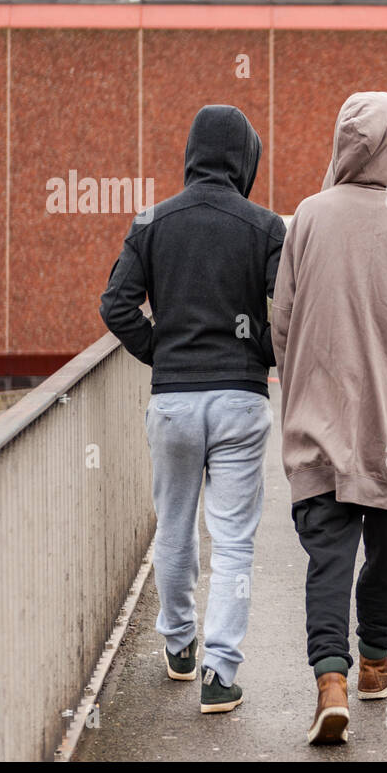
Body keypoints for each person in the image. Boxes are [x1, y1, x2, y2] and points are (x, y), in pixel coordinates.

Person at [272, 92, 387, 745]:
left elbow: (283, 323)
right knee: (385, 545)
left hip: (320, 414)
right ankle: (374, 663)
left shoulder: (309, 219)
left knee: (328, 554)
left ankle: (330, 679)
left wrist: (297, 387)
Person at [99, 104, 284, 715]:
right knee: (233, 539)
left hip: (173, 401)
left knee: (174, 526)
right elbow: (285, 315)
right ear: (243, 156)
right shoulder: (264, 226)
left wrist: (162, 352)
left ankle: (179, 646)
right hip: (239, 399)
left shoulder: (151, 221)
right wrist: (256, 353)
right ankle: (219, 671)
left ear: (192, 152)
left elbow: (117, 305)